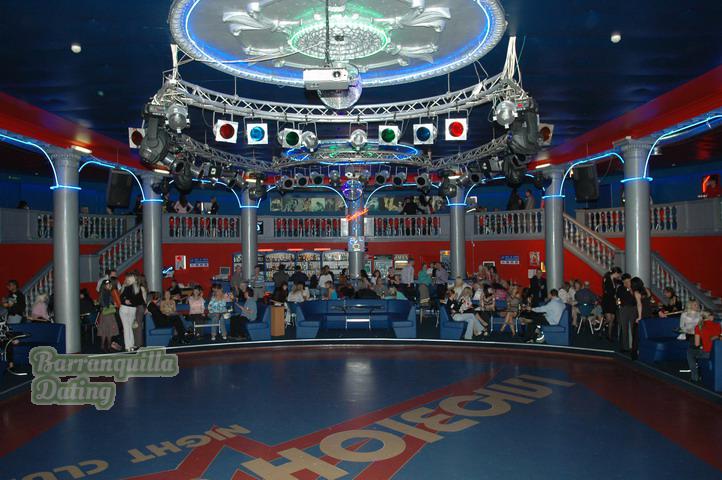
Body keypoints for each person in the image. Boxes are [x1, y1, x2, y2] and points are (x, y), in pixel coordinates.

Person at [686, 311, 721, 383]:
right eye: (713, 315)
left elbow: (697, 344)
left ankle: (694, 377)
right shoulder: (718, 325)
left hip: (706, 353)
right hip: (718, 352)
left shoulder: (698, 327)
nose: (714, 317)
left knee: (690, 352)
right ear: (710, 316)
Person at [630, 277, 653, 359]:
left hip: (642, 314)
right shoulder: (647, 290)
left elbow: (639, 304)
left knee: (636, 335)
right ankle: (646, 353)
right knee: (646, 334)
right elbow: (650, 301)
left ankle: (634, 355)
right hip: (649, 314)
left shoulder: (636, 292)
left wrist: (639, 317)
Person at [119, 274, 143, 351]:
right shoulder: (136, 288)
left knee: (127, 328)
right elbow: (140, 301)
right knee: (128, 328)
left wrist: (126, 301)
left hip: (126, 308)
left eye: (128, 279)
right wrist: (129, 301)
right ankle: (130, 346)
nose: (127, 280)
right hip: (130, 309)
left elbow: (121, 298)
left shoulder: (125, 286)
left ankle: (129, 346)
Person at [97, 279, 120, 352]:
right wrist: (113, 304)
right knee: (109, 331)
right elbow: (107, 304)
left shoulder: (102, 292)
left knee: (104, 331)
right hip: (108, 314)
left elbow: (102, 304)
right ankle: (108, 346)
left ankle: (103, 346)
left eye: (110, 284)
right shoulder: (107, 292)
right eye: (108, 284)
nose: (109, 285)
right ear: (104, 286)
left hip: (104, 314)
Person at [616, 274, 636, 352]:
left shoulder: (633, 288)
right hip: (624, 308)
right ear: (623, 281)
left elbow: (636, 298)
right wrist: (619, 304)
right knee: (624, 327)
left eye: (629, 281)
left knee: (633, 327)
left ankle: (634, 346)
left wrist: (630, 289)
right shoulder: (620, 288)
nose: (628, 282)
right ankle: (625, 347)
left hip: (633, 308)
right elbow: (618, 298)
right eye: (626, 281)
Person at [601, 267, 622, 340]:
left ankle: (609, 335)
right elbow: (607, 291)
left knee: (612, 318)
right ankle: (601, 329)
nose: (619, 276)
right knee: (608, 319)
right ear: (616, 273)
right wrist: (614, 294)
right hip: (607, 300)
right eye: (619, 274)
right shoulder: (606, 279)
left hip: (612, 301)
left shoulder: (615, 280)